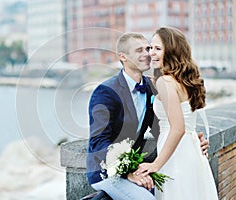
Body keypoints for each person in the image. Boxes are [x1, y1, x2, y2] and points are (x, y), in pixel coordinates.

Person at [86, 32, 210, 199]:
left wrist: (193, 139)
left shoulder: (154, 86)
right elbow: (99, 142)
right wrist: (128, 173)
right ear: (123, 57)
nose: (147, 54)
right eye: (139, 50)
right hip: (106, 171)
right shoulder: (106, 92)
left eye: (149, 48)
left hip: (140, 168)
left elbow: (167, 127)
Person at [135, 27, 218, 199]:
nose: (151, 53)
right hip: (191, 147)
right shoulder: (183, 80)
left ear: (172, 51)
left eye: (158, 48)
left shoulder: (166, 81)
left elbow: (178, 128)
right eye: (150, 48)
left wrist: (156, 164)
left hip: (176, 154)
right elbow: (186, 123)